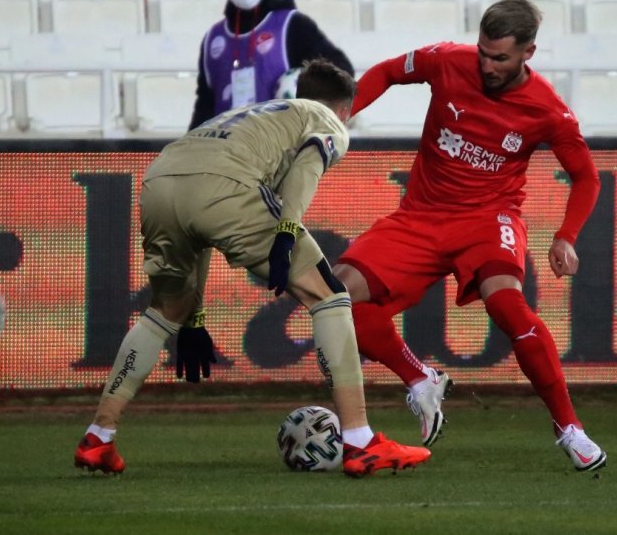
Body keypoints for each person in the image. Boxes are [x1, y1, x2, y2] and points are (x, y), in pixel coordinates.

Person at [73, 60, 431, 477]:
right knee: (329, 295)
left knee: (163, 312)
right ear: (347, 108)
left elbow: (197, 222)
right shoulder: (327, 119)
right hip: (224, 185)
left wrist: (195, 317)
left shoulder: (252, 116)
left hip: (158, 181)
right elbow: (309, 162)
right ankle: (359, 440)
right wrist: (287, 229)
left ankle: (99, 436)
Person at [332, 0, 608, 472]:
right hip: (420, 215)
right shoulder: (447, 61)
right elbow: (388, 72)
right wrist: (338, 116)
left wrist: (566, 235)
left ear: (528, 53)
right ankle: (420, 379)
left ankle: (569, 428)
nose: (486, 64)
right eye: (482, 51)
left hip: (488, 218)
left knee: (506, 302)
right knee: (335, 295)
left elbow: (586, 177)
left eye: (498, 57)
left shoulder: (549, 111)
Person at [188, 0, 354, 130]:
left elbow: (342, 71)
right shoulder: (213, 38)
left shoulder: (292, 25)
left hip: (280, 147)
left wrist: (304, 90)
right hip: (227, 148)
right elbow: (205, 103)